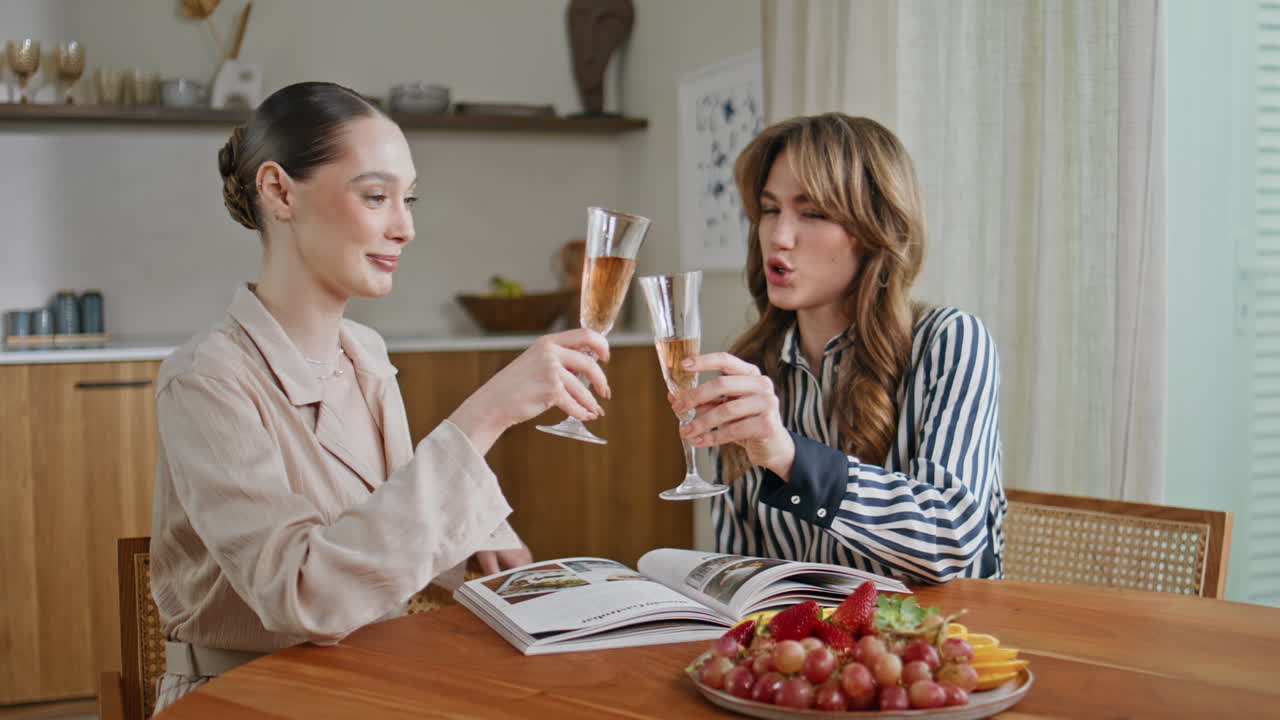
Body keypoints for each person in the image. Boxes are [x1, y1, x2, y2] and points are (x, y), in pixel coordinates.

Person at [150, 81, 612, 711]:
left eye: (408, 199)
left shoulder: (363, 353)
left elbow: (385, 539)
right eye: (376, 197)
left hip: (371, 681)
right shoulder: (206, 378)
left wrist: (479, 537)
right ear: (279, 191)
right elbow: (303, 596)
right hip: (242, 696)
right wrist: (486, 414)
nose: (406, 227)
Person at [673, 113, 1004, 584]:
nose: (779, 237)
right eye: (770, 210)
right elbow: (742, 568)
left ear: (874, 230)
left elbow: (950, 538)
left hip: (928, 647)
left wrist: (786, 455)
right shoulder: (752, 370)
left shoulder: (948, 342)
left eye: (812, 213)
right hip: (799, 651)